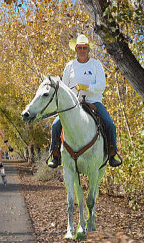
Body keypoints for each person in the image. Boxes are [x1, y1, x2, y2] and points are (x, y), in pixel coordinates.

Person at [47, 34, 122, 168]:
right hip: (73, 104)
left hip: (94, 101)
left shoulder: (96, 65)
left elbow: (101, 86)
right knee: (55, 125)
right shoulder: (69, 66)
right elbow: (64, 88)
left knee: (110, 124)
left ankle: (112, 154)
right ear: (76, 49)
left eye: (85, 48)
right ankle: (55, 154)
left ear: (88, 49)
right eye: (80, 48)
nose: (82, 50)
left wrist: (87, 87)